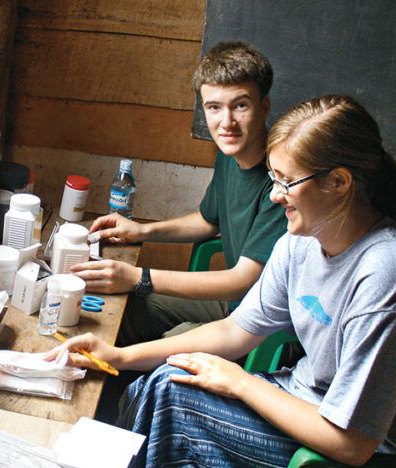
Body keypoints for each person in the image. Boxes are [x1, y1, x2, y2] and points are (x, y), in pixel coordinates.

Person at [50, 95, 396, 467]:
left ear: (339, 182)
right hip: (306, 401)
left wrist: (241, 384)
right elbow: (236, 329)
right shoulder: (303, 241)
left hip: (371, 449)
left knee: (174, 403)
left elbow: (354, 442)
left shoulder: (387, 276)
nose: (276, 195)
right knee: (161, 381)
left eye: (286, 181)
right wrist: (121, 356)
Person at [71, 41, 287, 346]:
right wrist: (142, 230)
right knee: (120, 313)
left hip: (263, 323)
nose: (226, 123)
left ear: (263, 106)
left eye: (240, 105)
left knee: (161, 355)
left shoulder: (282, 180)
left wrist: (139, 277)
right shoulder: (230, 151)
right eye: (214, 107)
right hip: (233, 303)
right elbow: (207, 220)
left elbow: (243, 280)